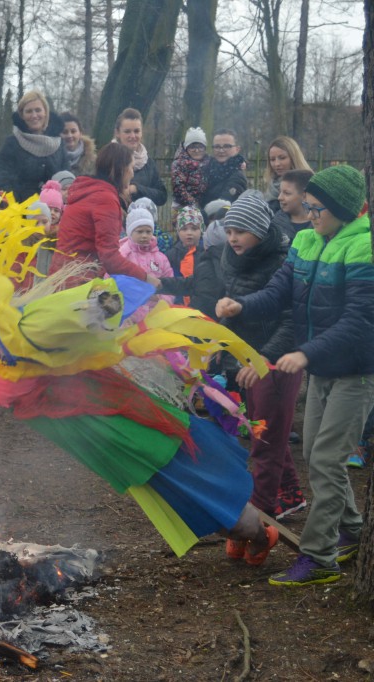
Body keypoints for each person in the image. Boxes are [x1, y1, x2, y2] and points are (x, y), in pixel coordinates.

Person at [0, 206, 279, 565]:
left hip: (101, 410)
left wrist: (100, 309)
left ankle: (250, 526)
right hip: (79, 430)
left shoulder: (19, 326)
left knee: (169, 461)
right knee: (156, 483)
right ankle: (235, 524)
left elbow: (89, 308)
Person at [216, 165, 374, 586]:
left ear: (342, 210)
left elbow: (360, 319)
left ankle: (320, 557)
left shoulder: (363, 246)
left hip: (356, 372)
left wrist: (304, 352)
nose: (310, 214)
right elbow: (279, 293)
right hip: (323, 368)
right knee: (316, 456)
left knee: (324, 459)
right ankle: (355, 530)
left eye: (318, 208)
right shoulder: (306, 240)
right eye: (308, 206)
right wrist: (242, 306)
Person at [211, 190, 305, 525]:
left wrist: (264, 359)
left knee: (266, 437)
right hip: (247, 357)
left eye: (240, 231)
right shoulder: (231, 255)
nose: (232, 238)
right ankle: (291, 496)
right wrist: (220, 341)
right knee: (266, 430)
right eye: (229, 230)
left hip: (275, 361)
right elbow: (235, 305)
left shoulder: (282, 261)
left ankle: (261, 511)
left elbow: (291, 319)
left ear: (260, 231)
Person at [48, 142, 161, 288]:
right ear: (119, 169)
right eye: (131, 167)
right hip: (78, 283)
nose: (132, 174)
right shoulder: (105, 199)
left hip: (61, 276)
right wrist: (146, 279)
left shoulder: (88, 191)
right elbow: (110, 257)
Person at [0, 90, 65, 202]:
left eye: (38, 110)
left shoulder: (59, 143)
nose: (34, 115)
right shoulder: (11, 144)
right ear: (22, 115)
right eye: (29, 111)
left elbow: (65, 178)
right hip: (21, 210)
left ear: (45, 112)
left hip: (53, 211)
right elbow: (3, 179)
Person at [119, 207, 174, 323]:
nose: (144, 235)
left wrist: (163, 301)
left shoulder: (160, 258)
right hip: (129, 316)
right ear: (130, 232)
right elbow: (112, 282)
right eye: (139, 231)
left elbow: (170, 282)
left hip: (156, 316)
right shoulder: (122, 256)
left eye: (148, 231)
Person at [114, 108, 167, 207]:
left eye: (136, 131)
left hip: (144, 220)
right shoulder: (108, 159)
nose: (133, 136)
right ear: (117, 132)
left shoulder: (148, 163)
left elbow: (162, 196)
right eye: (127, 131)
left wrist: (136, 189)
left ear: (142, 132)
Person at [165, 206, 205, 305]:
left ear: (202, 230)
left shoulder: (206, 252)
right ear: (178, 231)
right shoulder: (171, 255)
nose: (189, 233)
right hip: (179, 303)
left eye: (194, 228)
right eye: (184, 229)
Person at [263, 136, 312, 213]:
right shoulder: (271, 186)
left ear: (293, 158)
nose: (277, 164)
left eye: (282, 158)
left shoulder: (310, 185)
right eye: (272, 159)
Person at [200, 128, 247, 207]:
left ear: (237, 149)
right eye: (217, 146)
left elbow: (223, 206)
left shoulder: (237, 176)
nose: (221, 150)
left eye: (227, 146)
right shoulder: (205, 170)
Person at [170, 127, 209, 211]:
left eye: (200, 147)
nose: (197, 150)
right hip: (182, 206)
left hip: (206, 205)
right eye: (192, 147)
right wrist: (194, 205)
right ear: (186, 148)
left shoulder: (210, 162)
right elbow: (179, 188)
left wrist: (240, 161)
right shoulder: (179, 164)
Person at [271, 169, 314, 242]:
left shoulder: (319, 225)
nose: (279, 198)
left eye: (287, 193)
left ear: (304, 196)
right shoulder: (275, 224)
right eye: (280, 192)